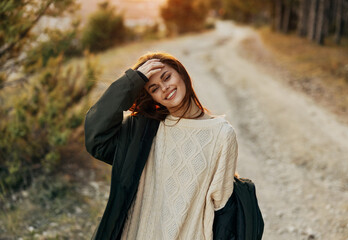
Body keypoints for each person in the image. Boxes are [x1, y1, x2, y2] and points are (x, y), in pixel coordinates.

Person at [85, 52, 238, 240]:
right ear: (152, 98)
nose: (165, 88)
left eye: (167, 77)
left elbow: (223, 208)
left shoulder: (222, 134)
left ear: (182, 73)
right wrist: (132, 81)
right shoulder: (143, 130)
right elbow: (97, 139)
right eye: (154, 88)